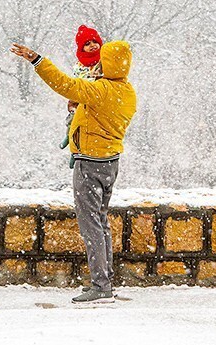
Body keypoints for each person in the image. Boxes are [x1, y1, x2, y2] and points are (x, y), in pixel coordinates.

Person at [11, 39, 137, 304]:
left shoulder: (100, 90)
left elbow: (65, 84)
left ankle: (101, 287)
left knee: (91, 224)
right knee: (101, 222)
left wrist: (37, 60)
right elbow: (97, 112)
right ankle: (106, 280)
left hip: (90, 163)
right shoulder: (126, 91)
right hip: (110, 163)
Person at [61, 26, 105, 168]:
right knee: (73, 122)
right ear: (81, 48)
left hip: (97, 98)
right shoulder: (79, 66)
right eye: (87, 44)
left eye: (94, 42)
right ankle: (71, 144)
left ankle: (80, 152)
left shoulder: (105, 61)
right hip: (81, 97)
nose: (92, 46)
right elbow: (75, 83)